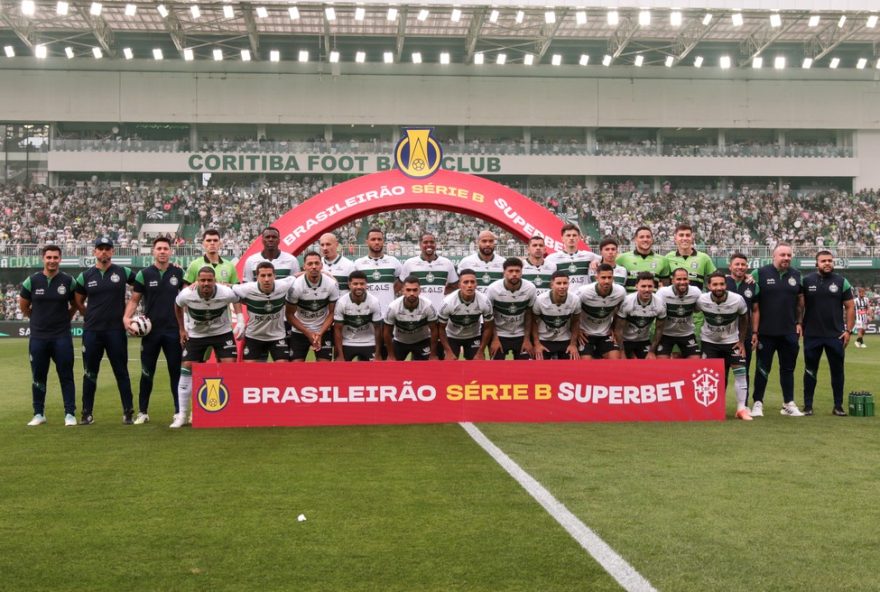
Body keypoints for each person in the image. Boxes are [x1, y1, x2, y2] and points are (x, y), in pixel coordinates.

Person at [122, 237, 185, 424]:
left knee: (176, 372)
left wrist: (185, 327)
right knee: (147, 372)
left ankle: (178, 411)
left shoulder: (179, 273)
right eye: (159, 248)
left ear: (171, 251)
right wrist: (126, 318)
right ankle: (143, 412)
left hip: (174, 331)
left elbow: (186, 300)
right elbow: (134, 300)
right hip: (151, 332)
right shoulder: (144, 274)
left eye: (166, 248)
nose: (163, 251)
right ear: (153, 251)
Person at [74, 237, 136, 425]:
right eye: (100, 249)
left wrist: (128, 313)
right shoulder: (85, 276)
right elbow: (78, 301)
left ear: (112, 252)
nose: (103, 252)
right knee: (90, 373)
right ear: (95, 252)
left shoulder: (123, 271)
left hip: (115, 331)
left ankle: (128, 412)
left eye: (107, 249)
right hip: (92, 331)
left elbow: (142, 285)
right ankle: (87, 413)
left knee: (121, 371)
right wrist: (90, 315)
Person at [172, 266, 242, 428]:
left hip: (222, 332)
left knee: (230, 366)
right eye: (202, 280)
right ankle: (182, 414)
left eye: (209, 280)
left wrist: (240, 319)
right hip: (197, 334)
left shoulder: (225, 292)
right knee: (187, 366)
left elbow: (237, 300)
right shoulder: (186, 294)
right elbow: (177, 306)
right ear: (197, 281)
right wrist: (182, 329)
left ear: (215, 281)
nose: (206, 283)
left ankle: (230, 411)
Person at [19, 245, 78, 427]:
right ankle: (38, 413)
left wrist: (63, 319)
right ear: (43, 259)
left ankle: (69, 414)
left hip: (61, 336)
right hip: (38, 337)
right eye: (49, 257)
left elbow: (75, 304)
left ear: (60, 259)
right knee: (38, 376)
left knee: (66, 375)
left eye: (55, 257)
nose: (52, 261)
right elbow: (24, 307)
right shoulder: (32, 281)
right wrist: (37, 320)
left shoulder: (68, 280)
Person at [750, 242, 805, 417]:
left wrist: (799, 322)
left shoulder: (797, 275)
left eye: (789, 255)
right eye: (782, 255)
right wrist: (754, 331)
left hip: (789, 332)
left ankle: (788, 403)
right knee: (762, 369)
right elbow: (751, 299)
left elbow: (800, 303)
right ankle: (758, 403)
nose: (786, 258)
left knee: (788, 369)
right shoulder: (759, 273)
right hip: (765, 332)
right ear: (773, 256)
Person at [801, 251, 855, 416]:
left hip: (835, 335)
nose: (827, 263)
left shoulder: (841, 282)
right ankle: (808, 406)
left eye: (830, 261)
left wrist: (848, 330)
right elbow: (799, 305)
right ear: (816, 263)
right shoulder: (806, 281)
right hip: (812, 334)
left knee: (837, 371)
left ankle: (838, 406)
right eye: (823, 261)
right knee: (810, 370)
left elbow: (850, 306)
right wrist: (798, 324)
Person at [697, 271, 752, 421]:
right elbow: (693, 313)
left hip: (732, 342)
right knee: (710, 377)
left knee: (740, 373)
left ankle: (741, 409)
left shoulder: (737, 299)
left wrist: (741, 341)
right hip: (709, 342)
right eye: (715, 284)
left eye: (721, 284)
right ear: (709, 286)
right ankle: (712, 409)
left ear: (726, 285)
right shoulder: (701, 300)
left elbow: (744, 318)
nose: (719, 287)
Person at [400, 233, 458, 357]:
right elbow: (402, 286)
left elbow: (454, 285)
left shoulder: (446, 263)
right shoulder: (410, 263)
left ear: (436, 244)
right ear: (420, 244)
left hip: (440, 314)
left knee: (438, 353)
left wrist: (442, 294)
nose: (429, 245)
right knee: (419, 351)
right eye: (425, 242)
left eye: (432, 242)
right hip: (419, 315)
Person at [232, 262, 295, 363]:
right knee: (249, 373)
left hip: (277, 336)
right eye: (263, 275)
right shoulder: (247, 288)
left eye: (269, 275)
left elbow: (295, 276)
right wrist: (240, 320)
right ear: (257, 277)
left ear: (275, 276)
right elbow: (229, 289)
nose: (266, 279)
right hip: (254, 336)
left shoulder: (283, 285)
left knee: (283, 369)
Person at [286, 251, 339, 362]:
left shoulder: (331, 284)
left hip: (323, 331)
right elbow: (289, 315)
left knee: (324, 369)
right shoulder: (295, 286)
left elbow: (333, 313)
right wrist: (308, 333)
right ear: (304, 266)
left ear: (321, 265)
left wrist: (320, 333)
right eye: (310, 264)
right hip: (300, 331)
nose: (314, 267)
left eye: (316, 263)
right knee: (295, 370)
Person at [486, 257, 537, 360]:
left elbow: (529, 314)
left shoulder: (530, 288)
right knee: (496, 369)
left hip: (521, 334)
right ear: (504, 272)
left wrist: (527, 339)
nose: (514, 274)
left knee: (526, 369)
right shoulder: (493, 289)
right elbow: (490, 316)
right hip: (500, 334)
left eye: (517, 271)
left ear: (522, 272)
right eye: (510, 271)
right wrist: (495, 339)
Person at [438, 269, 494, 360]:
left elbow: (488, 327)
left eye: (472, 282)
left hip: (473, 336)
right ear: (459, 285)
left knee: (477, 366)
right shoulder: (447, 302)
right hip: (452, 336)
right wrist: (448, 351)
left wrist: (480, 351)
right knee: (449, 367)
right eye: (466, 282)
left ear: (476, 284)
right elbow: (440, 328)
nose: (469, 285)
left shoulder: (484, 301)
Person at [577, 263, 626, 360]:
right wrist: (576, 330)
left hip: (605, 333)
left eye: (609, 277)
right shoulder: (583, 292)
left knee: (615, 359)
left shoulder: (620, 292)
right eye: (603, 277)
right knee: (586, 362)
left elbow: (620, 311)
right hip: (585, 334)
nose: (607, 281)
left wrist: (613, 327)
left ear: (613, 278)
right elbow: (572, 310)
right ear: (597, 278)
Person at [384, 276, 439, 361]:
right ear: (403, 291)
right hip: (400, 342)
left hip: (422, 341)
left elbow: (434, 331)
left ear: (420, 291)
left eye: (415, 290)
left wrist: (433, 354)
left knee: (426, 371)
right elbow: (387, 332)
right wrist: (390, 355)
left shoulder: (428, 306)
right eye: (408, 290)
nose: (412, 293)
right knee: (393, 371)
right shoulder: (393, 307)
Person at [614, 271, 666, 359]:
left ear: (654, 287)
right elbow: (618, 329)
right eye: (643, 286)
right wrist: (622, 352)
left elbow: (659, 329)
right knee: (630, 362)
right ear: (636, 286)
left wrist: (652, 351)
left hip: (643, 341)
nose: (647, 289)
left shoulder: (660, 303)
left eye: (650, 286)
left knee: (651, 362)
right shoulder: (627, 302)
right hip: (625, 341)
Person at [333, 270, 383, 361]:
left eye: (362, 284)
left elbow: (378, 329)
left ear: (366, 285)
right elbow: (337, 330)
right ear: (349, 284)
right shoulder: (341, 302)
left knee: (374, 374)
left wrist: (378, 354)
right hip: (347, 342)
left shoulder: (374, 301)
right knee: (341, 373)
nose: (359, 287)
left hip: (369, 342)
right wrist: (340, 355)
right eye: (355, 284)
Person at [354, 228, 403, 316]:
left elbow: (402, 280)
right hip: (367, 314)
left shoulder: (393, 261)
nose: (377, 242)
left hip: (389, 313)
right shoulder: (358, 263)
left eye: (379, 239)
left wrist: (391, 291)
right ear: (367, 242)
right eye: (373, 239)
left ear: (383, 241)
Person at [532, 271, 580, 360]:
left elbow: (576, 321)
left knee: (573, 367)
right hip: (544, 340)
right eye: (558, 283)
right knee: (539, 369)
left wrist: (573, 344)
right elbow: (533, 322)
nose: (562, 286)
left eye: (565, 283)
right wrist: (537, 344)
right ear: (552, 285)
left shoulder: (575, 300)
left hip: (565, 339)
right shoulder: (540, 300)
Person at [655, 268, 702, 359]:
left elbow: (697, 310)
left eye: (685, 279)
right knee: (661, 363)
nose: (682, 282)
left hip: (686, 333)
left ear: (689, 280)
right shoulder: (663, 292)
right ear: (672, 280)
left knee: (695, 361)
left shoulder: (696, 292)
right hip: (666, 334)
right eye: (679, 279)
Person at [725, 253, 755, 390]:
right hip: (722, 335)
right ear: (730, 266)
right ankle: (717, 407)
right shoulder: (722, 283)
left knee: (743, 371)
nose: (740, 267)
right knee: (721, 373)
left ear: (747, 267)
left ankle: (743, 406)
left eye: (743, 265)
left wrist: (755, 332)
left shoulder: (753, 285)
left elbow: (756, 310)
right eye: (737, 264)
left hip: (745, 334)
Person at [545, 223, 600, 290]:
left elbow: (605, 260)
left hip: (583, 297)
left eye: (574, 235)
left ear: (579, 238)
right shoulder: (551, 258)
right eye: (568, 235)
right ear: (562, 238)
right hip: (565, 298)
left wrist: (596, 261)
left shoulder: (589, 256)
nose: (571, 238)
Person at [617, 226, 670, 292]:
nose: (645, 239)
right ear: (635, 239)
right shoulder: (622, 258)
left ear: (652, 239)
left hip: (652, 301)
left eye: (648, 237)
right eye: (641, 237)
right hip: (629, 301)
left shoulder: (663, 260)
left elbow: (666, 287)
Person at [665, 223, 716, 291]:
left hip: (697, 301)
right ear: (675, 238)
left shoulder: (704, 258)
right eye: (681, 235)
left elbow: (716, 279)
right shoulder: (668, 258)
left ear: (692, 238)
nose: (685, 238)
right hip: (673, 301)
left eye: (688, 235)